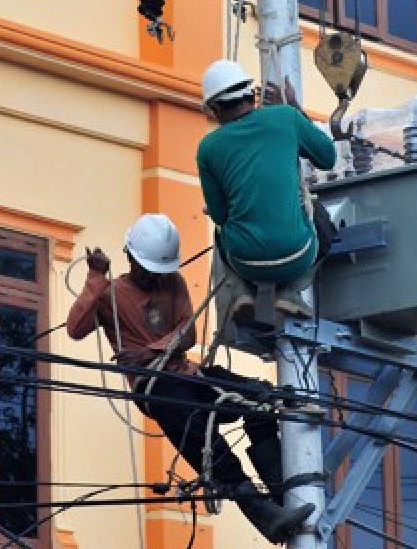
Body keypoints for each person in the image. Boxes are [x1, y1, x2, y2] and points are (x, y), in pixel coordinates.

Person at [66, 214, 315, 544]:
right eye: (147, 269)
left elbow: (187, 333)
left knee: (258, 398)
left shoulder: (173, 283)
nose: (153, 277)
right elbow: (75, 329)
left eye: (158, 271)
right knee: (208, 443)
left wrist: (149, 350)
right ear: (129, 257)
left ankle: (284, 497)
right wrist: (95, 278)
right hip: (157, 388)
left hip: (191, 375)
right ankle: (266, 516)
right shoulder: (111, 295)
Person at [196, 60, 338, 320]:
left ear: (215, 108)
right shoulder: (285, 117)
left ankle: (240, 293)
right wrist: (295, 108)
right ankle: (291, 294)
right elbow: (328, 157)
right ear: (252, 94)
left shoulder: (207, 148)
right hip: (299, 255)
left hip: (245, 262)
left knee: (222, 229)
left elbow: (219, 215)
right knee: (322, 220)